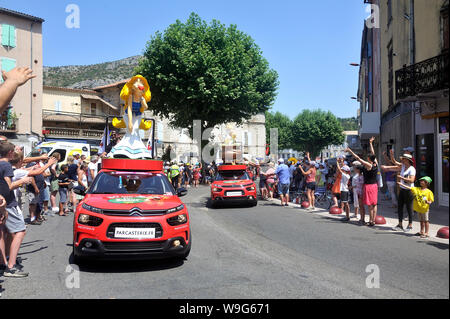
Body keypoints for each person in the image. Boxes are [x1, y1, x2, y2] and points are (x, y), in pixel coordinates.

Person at [0, 142, 34, 277]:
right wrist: (23, 181)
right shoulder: (6, 165)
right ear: (10, 153)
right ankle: (11, 266)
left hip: (3, 203)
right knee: (20, 231)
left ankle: (4, 263)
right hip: (8, 204)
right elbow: (8, 186)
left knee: (5, 234)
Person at [346, 147, 379, 227]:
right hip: (374, 185)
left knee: (370, 205)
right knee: (374, 204)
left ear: (369, 158)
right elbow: (373, 153)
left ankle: (371, 221)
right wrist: (371, 144)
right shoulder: (376, 164)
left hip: (369, 186)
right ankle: (373, 220)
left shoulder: (369, 165)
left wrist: (350, 151)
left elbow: (358, 158)